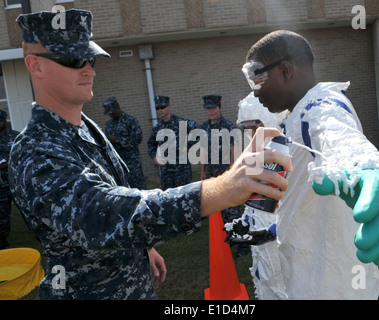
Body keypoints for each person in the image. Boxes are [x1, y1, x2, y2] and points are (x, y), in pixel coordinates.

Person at [9, 9, 291, 300]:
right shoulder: (35, 150)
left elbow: (120, 193)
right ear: (36, 66)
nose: (89, 70)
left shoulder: (85, 127)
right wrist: (222, 188)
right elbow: (102, 214)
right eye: (73, 60)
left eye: (90, 59)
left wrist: (143, 248)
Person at [240, 30, 379, 299]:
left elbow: (335, 133)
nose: (255, 92)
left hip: (333, 283)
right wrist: (271, 228)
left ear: (285, 71)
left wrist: (362, 165)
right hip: (309, 273)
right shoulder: (295, 116)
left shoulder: (319, 107)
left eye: (258, 79)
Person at [224, 92, 289, 299]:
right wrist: (244, 222)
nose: (252, 136)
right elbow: (256, 201)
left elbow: (305, 210)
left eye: (255, 128)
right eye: (248, 129)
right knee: (267, 288)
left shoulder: (294, 157)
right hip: (263, 252)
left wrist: (271, 232)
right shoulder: (258, 157)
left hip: (285, 250)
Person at [200, 95, 242, 225]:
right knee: (215, 205)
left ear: (220, 108)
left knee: (231, 206)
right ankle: (221, 236)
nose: (211, 111)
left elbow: (234, 151)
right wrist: (202, 170)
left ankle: (241, 239)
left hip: (226, 173)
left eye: (213, 108)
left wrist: (231, 170)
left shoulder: (228, 127)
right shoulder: (204, 128)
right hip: (211, 173)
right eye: (208, 108)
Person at [147, 96, 199, 190]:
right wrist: (155, 157)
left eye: (162, 107)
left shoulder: (181, 122)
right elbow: (151, 144)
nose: (160, 110)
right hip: (166, 173)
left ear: (168, 107)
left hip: (182, 171)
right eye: (157, 108)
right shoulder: (158, 128)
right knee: (168, 200)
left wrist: (188, 146)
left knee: (185, 197)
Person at [103, 96, 147, 190]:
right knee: (123, 190)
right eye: (109, 113)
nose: (111, 115)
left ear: (118, 107)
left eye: (112, 112)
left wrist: (117, 139)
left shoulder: (130, 121)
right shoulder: (109, 124)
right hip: (118, 164)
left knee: (139, 189)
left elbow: (137, 139)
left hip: (132, 163)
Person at [0, 110, 19, 249]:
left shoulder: (16, 136)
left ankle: (39, 233)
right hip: (1, 184)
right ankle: (2, 238)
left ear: (5, 121)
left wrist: (10, 162)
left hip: (16, 182)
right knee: (2, 212)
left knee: (28, 210)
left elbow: (25, 155)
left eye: (0, 120)